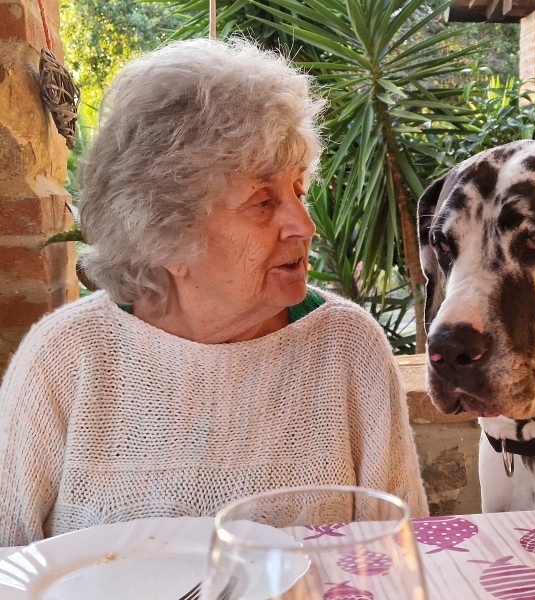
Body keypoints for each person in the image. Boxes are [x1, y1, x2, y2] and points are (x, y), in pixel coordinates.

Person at [0, 38, 427, 547]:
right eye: (262, 202)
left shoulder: (347, 346)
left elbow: (399, 546)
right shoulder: (67, 355)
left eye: (299, 190)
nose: (305, 225)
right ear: (166, 235)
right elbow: (8, 556)